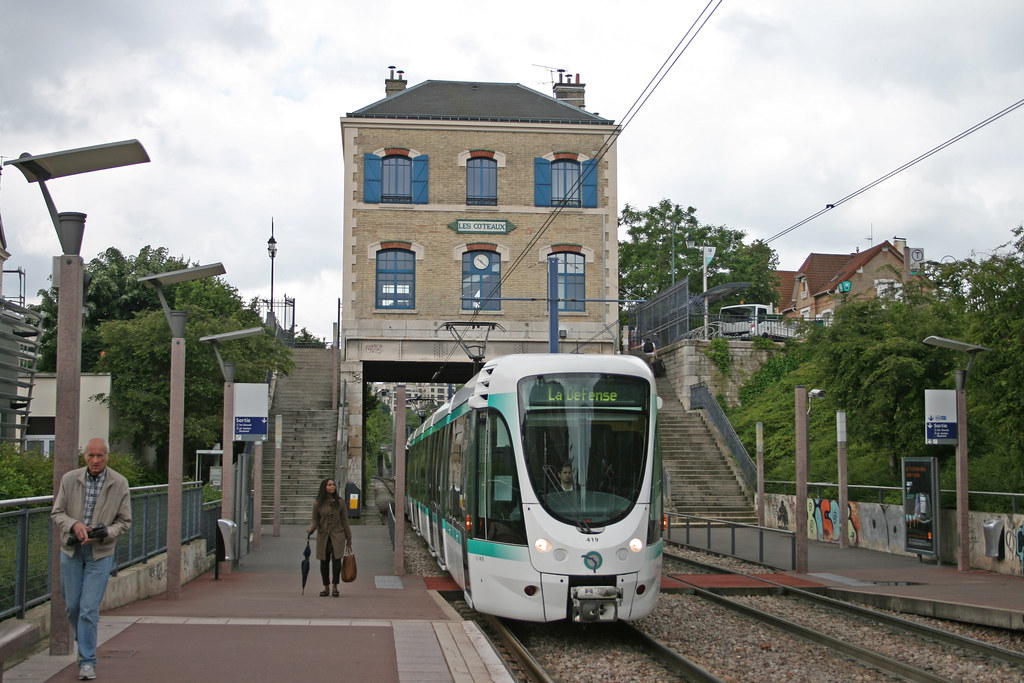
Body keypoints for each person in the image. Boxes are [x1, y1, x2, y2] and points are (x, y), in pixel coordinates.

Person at [51, 438, 132, 681]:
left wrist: (105, 532)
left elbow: (124, 521)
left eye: (100, 456)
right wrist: (74, 525)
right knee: (73, 606)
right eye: (91, 456)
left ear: (107, 457)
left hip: (100, 553)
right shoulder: (70, 479)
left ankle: (87, 661)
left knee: (88, 609)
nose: (95, 460)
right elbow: (57, 512)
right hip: (72, 551)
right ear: (84, 456)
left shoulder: (119, 482)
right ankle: (84, 637)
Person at [306, 478, 352, 597]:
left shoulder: (340, 502)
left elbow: (345, 521)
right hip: (323, 537)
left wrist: (349, 538)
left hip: (338, 536)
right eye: (329, 485)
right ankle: (326, 587)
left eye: (333, 485)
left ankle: (335, 586)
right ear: (324, 487)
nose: (332, 487)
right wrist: (311, 529)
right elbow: (315, 520)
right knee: (324, 562)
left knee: (337, 562)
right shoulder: (318, 503)